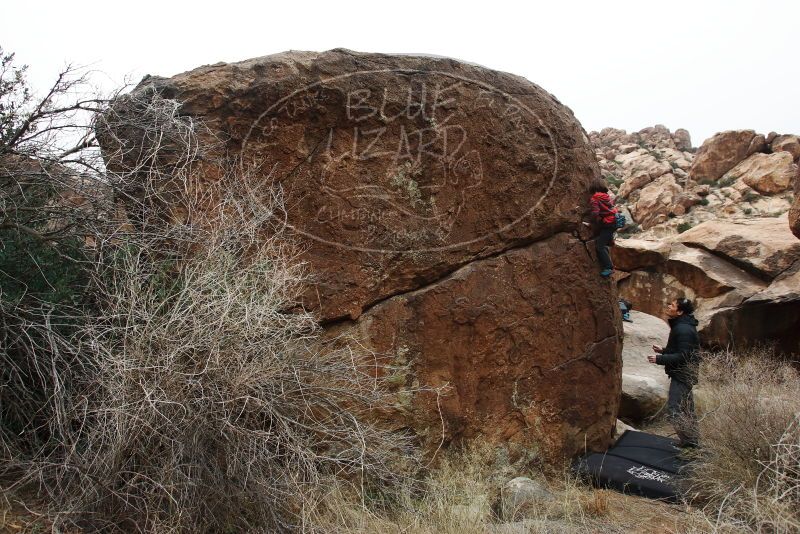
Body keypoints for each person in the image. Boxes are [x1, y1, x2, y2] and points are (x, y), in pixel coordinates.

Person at [647, 297, 701, 447]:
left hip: (683, 375)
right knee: (686, 409)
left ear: (680, 311)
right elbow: (683, 350)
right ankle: (691, 443)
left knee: (675, 410)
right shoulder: (683, 325)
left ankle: (689, 444)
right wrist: (664, 351)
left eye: (672, 305)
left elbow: (684, 356)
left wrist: (659, 359)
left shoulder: (683, 329)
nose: (668, 306)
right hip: (683, 373)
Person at [588, 178, 618, 277]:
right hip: (613, 222)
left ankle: (609, 267)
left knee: (600, 246)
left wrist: (591, 222)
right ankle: (610, 240)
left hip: (608, 224)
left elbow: (595, 212)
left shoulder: (595, 198)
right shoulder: (606, 196)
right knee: (604, 237)